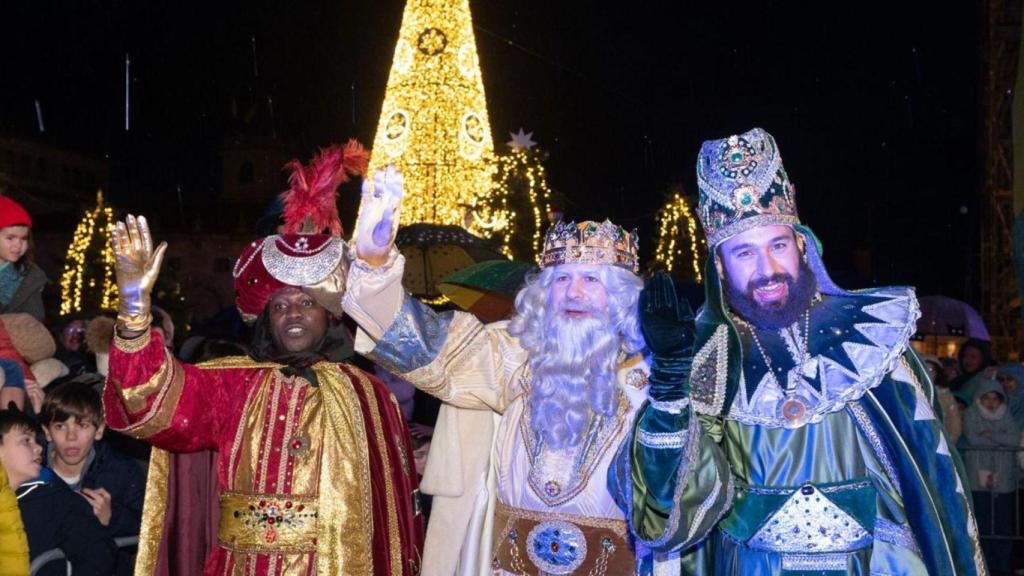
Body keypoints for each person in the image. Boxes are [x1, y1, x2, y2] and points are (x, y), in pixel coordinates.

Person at [621, 128, 984, 574]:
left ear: (801, 244)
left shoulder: (873, 336)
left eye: (777, 245)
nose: (767, 270)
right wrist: (671, 390)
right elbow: (670, 518)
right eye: (744, 254)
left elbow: (930, 485)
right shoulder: (703, 356)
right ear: (719, 265)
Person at [103, 142, 423, 575]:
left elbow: (391, 518)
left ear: (329, 315)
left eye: (305, 302)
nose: (292, 312)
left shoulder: (368, 394)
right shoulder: (233, 384)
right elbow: (150, 402)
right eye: (279, 304)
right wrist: (135, 311)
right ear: (264, 318)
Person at [344, 166, 651, 574]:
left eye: (591, 279)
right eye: (561, 279)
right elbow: (428, 344)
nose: (574, 293)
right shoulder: (515, 355)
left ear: (621, 297)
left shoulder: (656, 378)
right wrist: (375, 262)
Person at [40, 381, 145, 576]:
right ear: (47, 432)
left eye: (83, 425)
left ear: (99, 431)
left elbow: (150, 525)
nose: (71, 437)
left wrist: (111, 517)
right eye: (60, 426)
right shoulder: (31, 472)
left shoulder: (122, 472)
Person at [0, 406, 116, 575]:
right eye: (26, 441)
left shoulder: (56, 499)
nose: (39, 448)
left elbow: (97, 555)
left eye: (35, 440)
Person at [963, 377, 1019, 576]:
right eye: (986, 398)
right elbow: (973, 437)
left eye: (995, 398)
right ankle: (983, 564)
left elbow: (1014, 439)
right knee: (982, 523)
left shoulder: (1006, 415)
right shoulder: (971, 414)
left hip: (1003, 478)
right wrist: (999, 439)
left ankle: (1002, 566)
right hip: (978, 475)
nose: (991, 403)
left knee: (1003, 524)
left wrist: (991, 435)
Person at [0, 198, 45, 323]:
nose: (18, 245)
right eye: (10, 238)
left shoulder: (29, 278)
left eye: (23, 238)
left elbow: (34, 325)